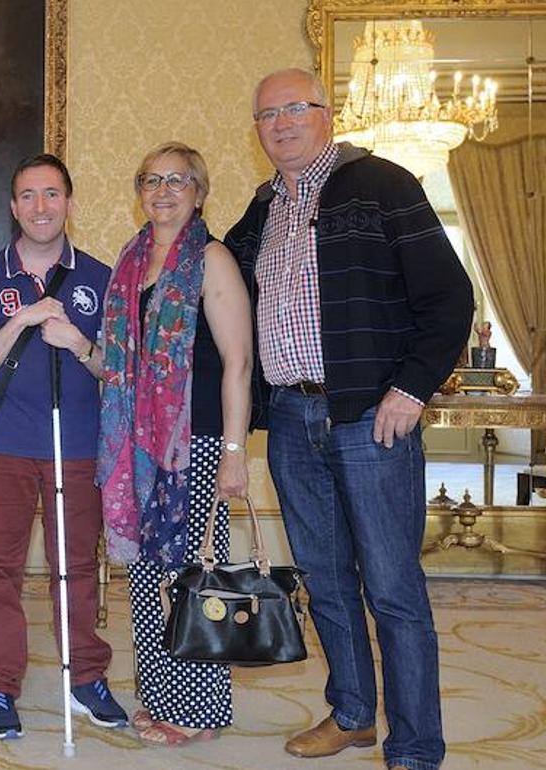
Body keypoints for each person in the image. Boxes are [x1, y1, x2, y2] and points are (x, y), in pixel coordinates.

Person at [225, 68, 474, 770]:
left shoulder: (384, 184)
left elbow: (451, 300)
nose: (280, 124)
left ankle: (417, 747)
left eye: (294, 109)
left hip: (371, 418)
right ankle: (353, 714)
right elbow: (210, 268)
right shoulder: (263, 206)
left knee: (393, 588)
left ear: (326, 115)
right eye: (266, 114)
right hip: (293, 419)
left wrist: (412, 390)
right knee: (326, 579)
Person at [0, 154, 129, 739]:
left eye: (51, 194)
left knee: (75, 567)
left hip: (76, 447)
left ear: (69, 202)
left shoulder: (102, 279)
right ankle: (0, 683)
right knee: (1, 570)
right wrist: (22, 321)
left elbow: (116, 372)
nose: (40, 207)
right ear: (13, 207)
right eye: (27, 195)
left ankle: (84, 677)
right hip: (5, 445)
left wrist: (79, 343)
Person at [98, 142, 252, 747]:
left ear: (199, 190)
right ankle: (160, 696)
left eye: (177, 180)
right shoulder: (132, 260)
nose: (163, 191)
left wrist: (235, 455)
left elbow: (239, 362)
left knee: (191, 578)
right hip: (137, 448)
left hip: (198, 443)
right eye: (151, 180)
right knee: (145, 576)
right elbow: (120, 361)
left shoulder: (211, 259)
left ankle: (198, 711)